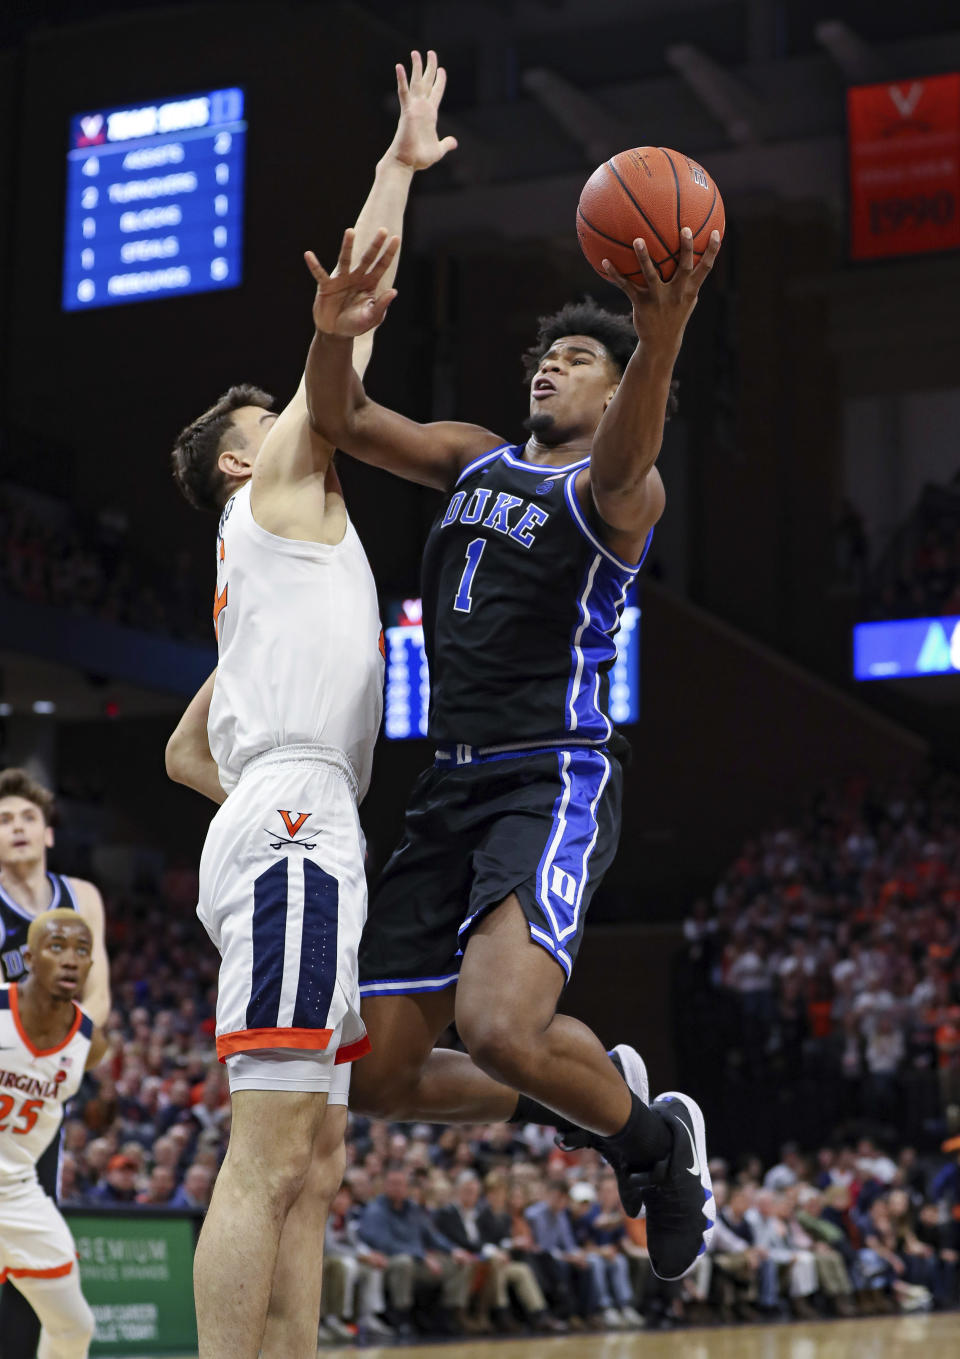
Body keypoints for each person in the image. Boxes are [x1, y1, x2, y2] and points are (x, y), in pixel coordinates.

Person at [302, 193, 722, 1281]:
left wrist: (661, 325)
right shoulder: (475, 459)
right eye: (547, 355)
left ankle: (653, 1148)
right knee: (381, 1073)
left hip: (549, 778)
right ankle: (596, 1103)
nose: (551, 367)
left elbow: (631, 460)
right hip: (446, 788)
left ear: (618, 387)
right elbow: (343, 421)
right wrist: (334, 330)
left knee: (496, 1028)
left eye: (580, 358)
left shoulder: (612, 493)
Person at [163, 53, 456, 1359]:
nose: (298, 421)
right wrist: (395, 168)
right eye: (272, 418)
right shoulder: (272, 490)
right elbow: (348, 332)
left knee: (316, 1151)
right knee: (272, 1147)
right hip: (297, 820)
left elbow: (183, 748)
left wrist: (255, 796)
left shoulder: (268, 579)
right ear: (241, 455)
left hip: (289, 813)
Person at [0, 768, 111, 1359]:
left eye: (27, 818)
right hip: (11, 1058)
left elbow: (101, 994)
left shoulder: (82, 895)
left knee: (35, 1220)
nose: (16, 828)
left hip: (49, 1077)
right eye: (4, 820)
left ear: (47, 833)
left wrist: (65, 1053)